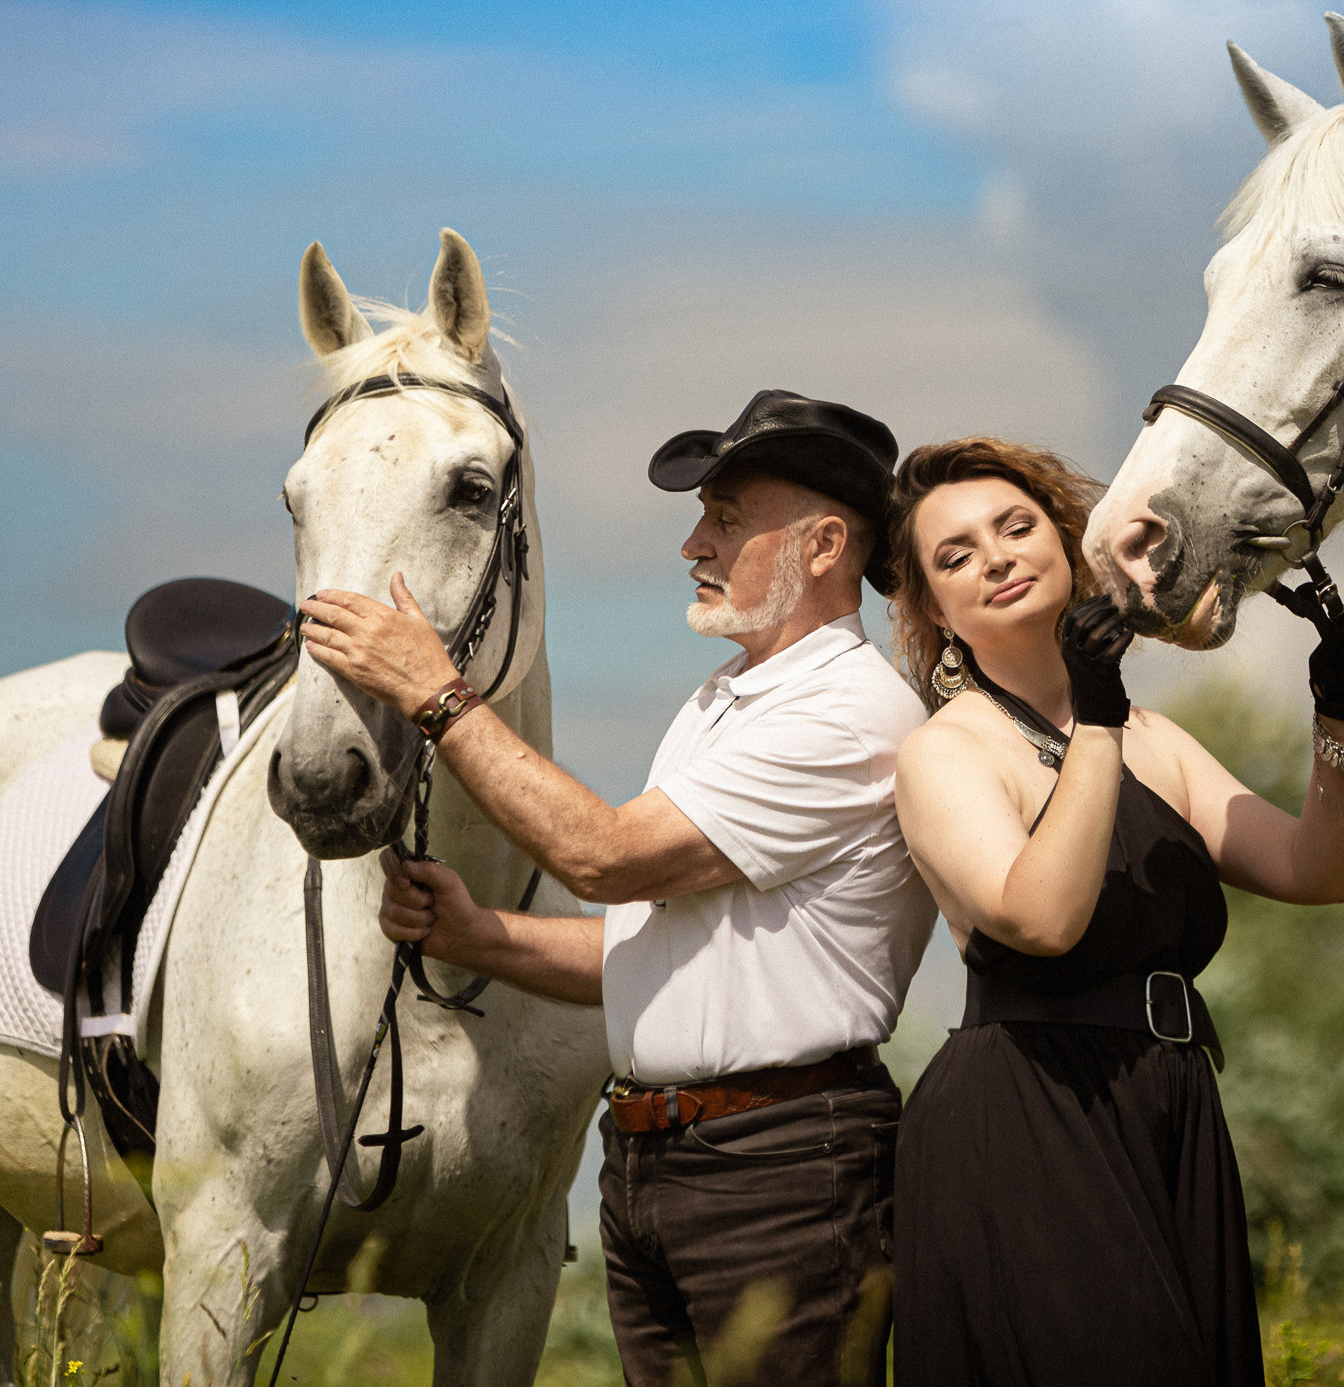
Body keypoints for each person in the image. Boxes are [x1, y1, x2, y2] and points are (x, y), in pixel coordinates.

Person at [299, 388, 934, 1387]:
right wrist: (482, 937)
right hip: (666, 1163)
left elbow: (604, 855)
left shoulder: (846, 711)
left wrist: (434, 691)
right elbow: (651, 957)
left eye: (727, 518)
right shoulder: (727, 701)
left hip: (778, 1167)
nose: (695, 544)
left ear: (823, 545)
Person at [880, 437, 1344, 1387]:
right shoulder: (947, 753)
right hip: (1028, 1112)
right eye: (954, 557)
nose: (993, 557)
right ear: (934, 612)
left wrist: (1339, 726)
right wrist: (1100, 723)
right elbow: (1043, 918)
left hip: (1172, 1102)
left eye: (1015, 526)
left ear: (1070, 544)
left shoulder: (1160, 740)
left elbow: (1321, 871)